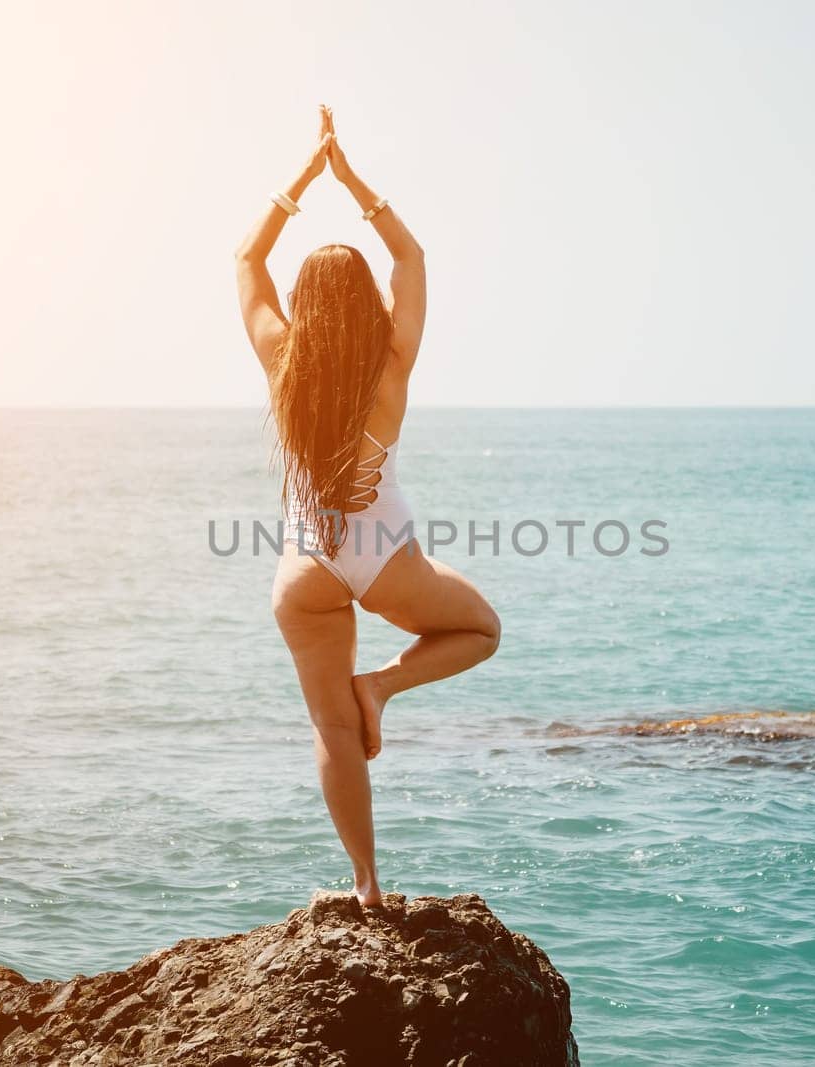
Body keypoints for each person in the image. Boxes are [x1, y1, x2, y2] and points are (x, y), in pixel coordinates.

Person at [233, 105, 501, 908]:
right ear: (364, 306)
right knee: (481, 628)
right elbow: (410, 255)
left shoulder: (282, 360)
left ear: (306, 308)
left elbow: (248, 259)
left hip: (305, 566)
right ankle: (382, 685)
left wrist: (302, 181)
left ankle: (367, 885)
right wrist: (351, 180)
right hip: (383, 556)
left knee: (330, 727)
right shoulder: (393, 362)